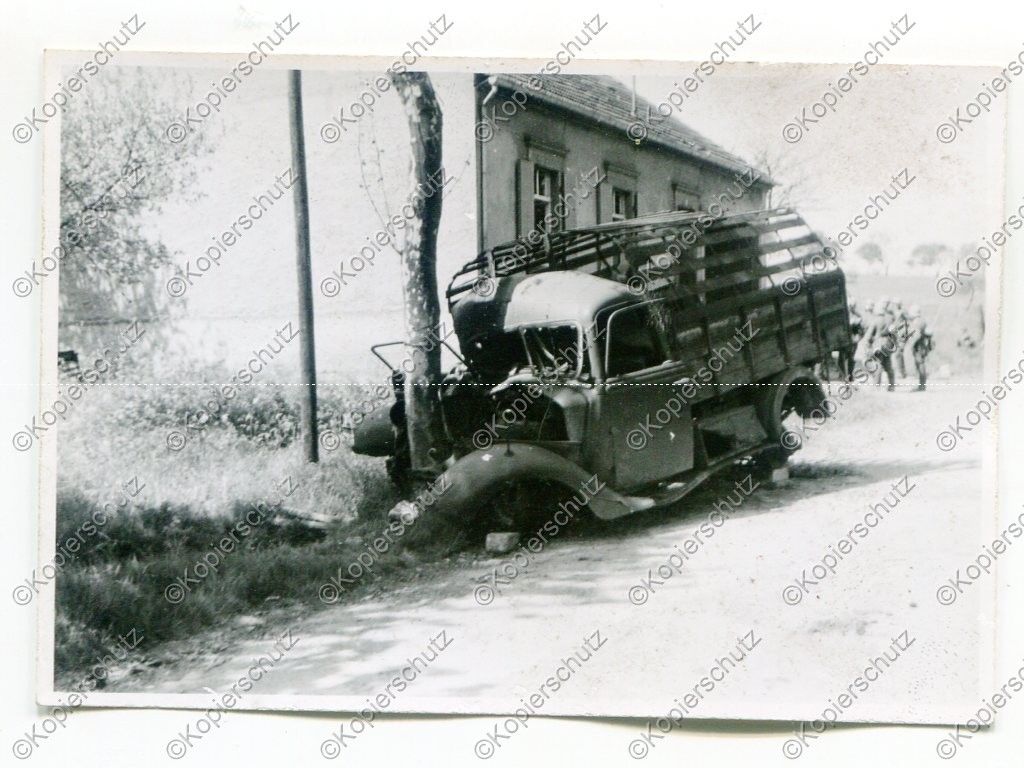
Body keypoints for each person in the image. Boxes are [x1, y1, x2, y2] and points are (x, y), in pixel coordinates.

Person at [865, 302, 897, 391]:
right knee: (888, 365)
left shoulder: (875, 321)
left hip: (878, 345)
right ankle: (892, 386)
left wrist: (868, 345)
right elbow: (894, 333)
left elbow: (868, 336)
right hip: (888, 344)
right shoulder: (889, 321)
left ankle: (877, 386)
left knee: (878, 364)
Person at [906, 305, 933, 391]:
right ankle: (922, 385)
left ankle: (922, 386)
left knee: (920, 364)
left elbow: (917, 335)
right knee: (920, 364)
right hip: (922, 345)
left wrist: (911, 345)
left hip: (919, 346)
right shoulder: (922, 320)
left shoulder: (916, 322)